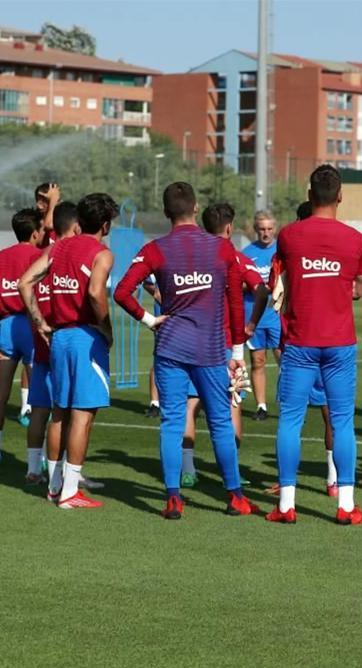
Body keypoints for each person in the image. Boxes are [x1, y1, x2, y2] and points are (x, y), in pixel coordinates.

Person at [113, 182, 254, 519]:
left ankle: (173, 498)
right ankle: (235, 497)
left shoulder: (154, 250)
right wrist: (237, 353)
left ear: (165, 213)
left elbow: (122, 291)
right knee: (220, 421)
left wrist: (149, 319)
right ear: (195, 208)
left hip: (171, 347)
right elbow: (236, 300)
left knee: (172, 423)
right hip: (209, 350)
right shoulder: (221, 248)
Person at [266, 165, 362, 525]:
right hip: (340, 343)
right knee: (343, 422)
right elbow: (358, 286)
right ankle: (346, 505)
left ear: (310, 196)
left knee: (291, 421)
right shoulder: (355, 239)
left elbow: (278, 282)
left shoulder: (289, 235)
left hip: (300, 341)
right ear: (340, 196)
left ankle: (285, 506)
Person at [20, 193, 116, 509]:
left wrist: (40, 322)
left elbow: (25, 282)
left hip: (58, 337)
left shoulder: (58, 247)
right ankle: (70, 492)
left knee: (59, 412)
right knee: (83, 416)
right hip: (85, 337)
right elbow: (94, 291)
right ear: (105, 224)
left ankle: (54, 485)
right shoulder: (102, 253)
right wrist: (106, 328)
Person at [178, 203, 269, 486]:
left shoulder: (190, 257)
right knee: (232, 405)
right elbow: (261, 289)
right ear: (229, 228)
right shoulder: (238, 259)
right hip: (229, 347)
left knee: (190, 405)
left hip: (192, 343)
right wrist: (251, 322)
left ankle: (188, 469)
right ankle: (230, 472)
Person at [0, 208, 45, 470]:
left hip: (5, 328)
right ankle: (37, 461)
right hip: (29, 328)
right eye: (41, 229)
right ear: (34, 233)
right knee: (40, 398)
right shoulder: (39, 257)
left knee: (0, 396)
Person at [22, 201, 79, 485]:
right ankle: (64, 475)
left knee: (42, 411)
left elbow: (25, 284)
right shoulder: (65, 255)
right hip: (60, 343)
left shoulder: (46, 254)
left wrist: (37, 321)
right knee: (65, 413)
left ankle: (35, 469)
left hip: (43, 342)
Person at [243, 209, 281, 420]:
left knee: (284, 360)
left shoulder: (282, 250)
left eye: (269, 229)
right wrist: (253, 288)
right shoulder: (247, 253)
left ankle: (288, 403)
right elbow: (238, 283)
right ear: (256, 230)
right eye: (262, 229)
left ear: (274, 228)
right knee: (257, 361)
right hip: (253, 316)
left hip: (275, 315)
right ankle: (261, 406)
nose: (266, 233)